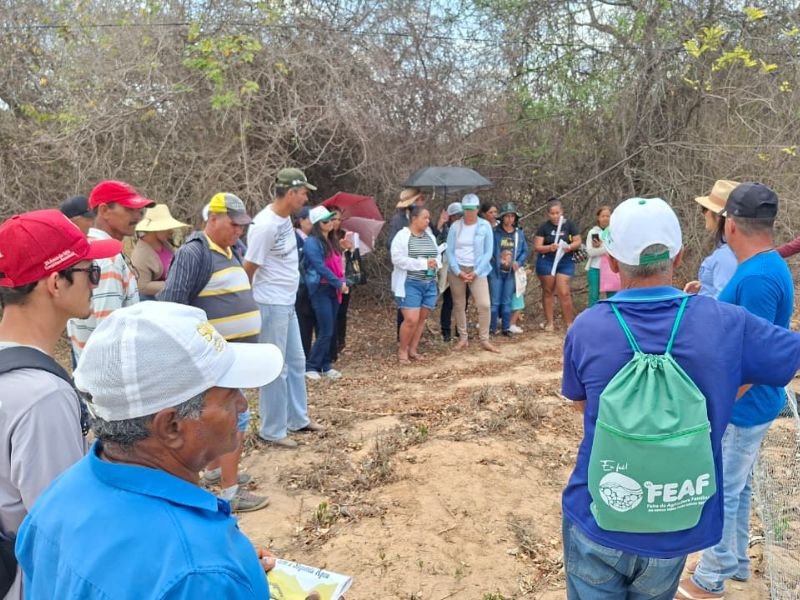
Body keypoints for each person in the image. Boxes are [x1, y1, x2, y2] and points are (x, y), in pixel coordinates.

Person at [561, 196, 800, 600]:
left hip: (598, 518)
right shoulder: (725, 323)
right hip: (676, 522)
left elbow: (585, 407)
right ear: (679, 255)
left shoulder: (586, 328)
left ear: (613, 262)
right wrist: (726, 389)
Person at [16, 302, 283, 599]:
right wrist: (225, 580)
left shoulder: (58, 499)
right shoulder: (200, 573)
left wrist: (238, 573)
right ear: (172, 427)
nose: (242, 405)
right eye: (230, 394)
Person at [677, 182, 794, 600]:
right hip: (750, 402)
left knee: (721, 489)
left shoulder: (758, 276)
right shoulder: (761, 266)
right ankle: (735, 560)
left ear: (729, 225)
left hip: (745, 405)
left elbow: (753, 352)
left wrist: (720, 401)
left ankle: (711, 578)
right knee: (738, 486)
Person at [0, 210, 120, 600]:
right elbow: (65, 530)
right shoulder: (42, 396)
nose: (95, 283)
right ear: (55, 282)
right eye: (91, 272)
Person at [158, 193, 268, 512]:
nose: (239, 230)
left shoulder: (231, 249)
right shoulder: (194, 253)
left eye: (242, 225)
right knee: (234, 417)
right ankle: (231, 492)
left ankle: (216, 471)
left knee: (224, 417)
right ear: (213, 219)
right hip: (213, 359)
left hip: (231, 358)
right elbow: (173, 304)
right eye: (234, 224)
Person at [243, 168, 322, 448]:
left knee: (296, 361)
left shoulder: (285, 219)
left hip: (287, 302)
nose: (306, 198)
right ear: (290, 193)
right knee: (276, 367)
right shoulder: (265, 226)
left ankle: (297, 419)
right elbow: (249, 266)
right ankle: (273, 429)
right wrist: (246, 302)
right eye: (303, 193)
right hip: (270, 302)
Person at [66, 180, 154, 361]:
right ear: (104, 211)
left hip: (87, 365)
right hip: (106, 371)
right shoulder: (107, 258)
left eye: (139, 211)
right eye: (129, 209)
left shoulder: (84, 248)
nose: (137, 217)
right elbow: (109, 333)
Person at [446, 193, 498, 353]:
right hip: (458, 269)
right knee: (459, 304)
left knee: (484, 304)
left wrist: (476, 272)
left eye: (472, 209)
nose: (469, 212)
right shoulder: (455, 226)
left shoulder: (484, 226)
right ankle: (463, 337)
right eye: (466, 209)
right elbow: (449, 250)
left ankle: (484, 339)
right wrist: (457, 271)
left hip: (478, 270)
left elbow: (488, 251)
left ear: (477, 209)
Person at [391, 206, 441, 363]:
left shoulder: (430, 236)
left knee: (421, 319)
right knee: (411, 319)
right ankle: (402, 349)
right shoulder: (402, 236)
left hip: (429, 282)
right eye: (424, 218)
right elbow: (397, 259)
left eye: (428, 218)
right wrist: (422, 264)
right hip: (410, 283)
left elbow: (437, 255)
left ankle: (413, 349)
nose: (428, 221)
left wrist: (435, 263)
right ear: (414, 219)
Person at [303, 206, 347, 380]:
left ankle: (325, 364)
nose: (330, 223)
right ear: (317, 224)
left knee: (329, 328)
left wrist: (341, 282)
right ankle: (311, 365)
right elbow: (319, 267)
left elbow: (337, 264)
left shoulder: (332, 240)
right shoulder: (312, 242)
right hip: (320, 289)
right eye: (326, 221)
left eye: (331, 219)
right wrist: (338, 283)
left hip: (333, 289)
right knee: (326, 329)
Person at [682, 180, 739, 298]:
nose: (703, 213)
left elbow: (724, 302)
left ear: (718, 217)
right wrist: (706, 285)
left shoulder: (725, 256)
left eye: (705, 209)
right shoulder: (735, 249)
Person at [533, 197, 581, 331]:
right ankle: (550, 322)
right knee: (548, 290)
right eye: (552, 213)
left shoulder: (569, 225)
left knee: (563, 290)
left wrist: (569, 247)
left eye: (557, 213)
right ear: (548, 214)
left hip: (565, 260)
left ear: (562, 212)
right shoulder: (544, 227)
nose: (555, 216)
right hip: (547, 260)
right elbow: (537, 246)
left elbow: (577, 241)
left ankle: (569, 323)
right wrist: (549, 247)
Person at [131, 204, 189, 300]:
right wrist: (173, 284)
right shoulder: (140, 255)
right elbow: (142, 286)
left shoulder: (165, 245)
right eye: (167, 227)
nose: (171, 231)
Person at [491, 202, 529, 336]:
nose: (509, 219)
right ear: (502, 218)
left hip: (511, 273)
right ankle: (492, 327)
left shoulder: (518, 234)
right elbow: (489, 251)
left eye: (512, 216)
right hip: (496, 272)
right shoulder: (495, 233)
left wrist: (519, 262)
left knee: (507, 300)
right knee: (495, 301)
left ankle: (506, 328)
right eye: (507, 216)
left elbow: (524, 251)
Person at [438, 201, 465, 341]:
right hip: (448, 268)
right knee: (448, 302)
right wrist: (440, 226)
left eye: (460, 215)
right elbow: (438, 246)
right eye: (456, 216)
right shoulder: (444, 230)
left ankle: (460, 330)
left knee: (462, 301)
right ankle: (446, 331)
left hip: (463, 267)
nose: (458, 218)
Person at [327, 206, 350, 362]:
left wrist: (349, 249)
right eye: (333, 218)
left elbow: (353, 258)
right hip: (331, 279)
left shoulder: (345, 235)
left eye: (339, 219)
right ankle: (332, 345)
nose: (336, 222)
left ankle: (341, 341)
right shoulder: (324, 238)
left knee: (342, 312)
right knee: (332, 313)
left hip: (345, 277)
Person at [293, 207, 316, 357]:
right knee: (302, 324)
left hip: (311, 287)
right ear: (301, 220)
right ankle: (302, 356)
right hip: (299, 287)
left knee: (309, 323)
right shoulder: (294, 239)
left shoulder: (312, 239)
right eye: (310, 219)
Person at [585, 206, 611, 307]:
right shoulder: (593, 232)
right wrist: (606, 248)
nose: (605, 218)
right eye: (603, 216)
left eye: (608, 216)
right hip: (595, 268)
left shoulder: (614, 232)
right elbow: (590, 252)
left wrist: (601, 247)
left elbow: (618, 249)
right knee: (594, 296)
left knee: (612, 296)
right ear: (598, 217)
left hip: (611, 268)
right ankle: (592, 315)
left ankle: (612, 315)